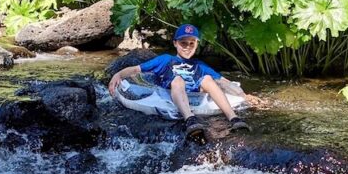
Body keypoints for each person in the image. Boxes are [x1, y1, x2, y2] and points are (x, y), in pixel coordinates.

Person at [107, 23, 251, 140]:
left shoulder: (200, 65)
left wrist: (244, 95)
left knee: (208, 79)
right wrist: (118, 75)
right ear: (175, 43)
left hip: (194, 92)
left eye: (191, 44)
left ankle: (233, 118)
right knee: (178, 80)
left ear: (196, 44)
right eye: (183, 43)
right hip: (173, 88)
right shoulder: (165, 59)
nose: (187, 47)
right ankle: (190, 119)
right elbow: (136, 69)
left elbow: (223, 81)